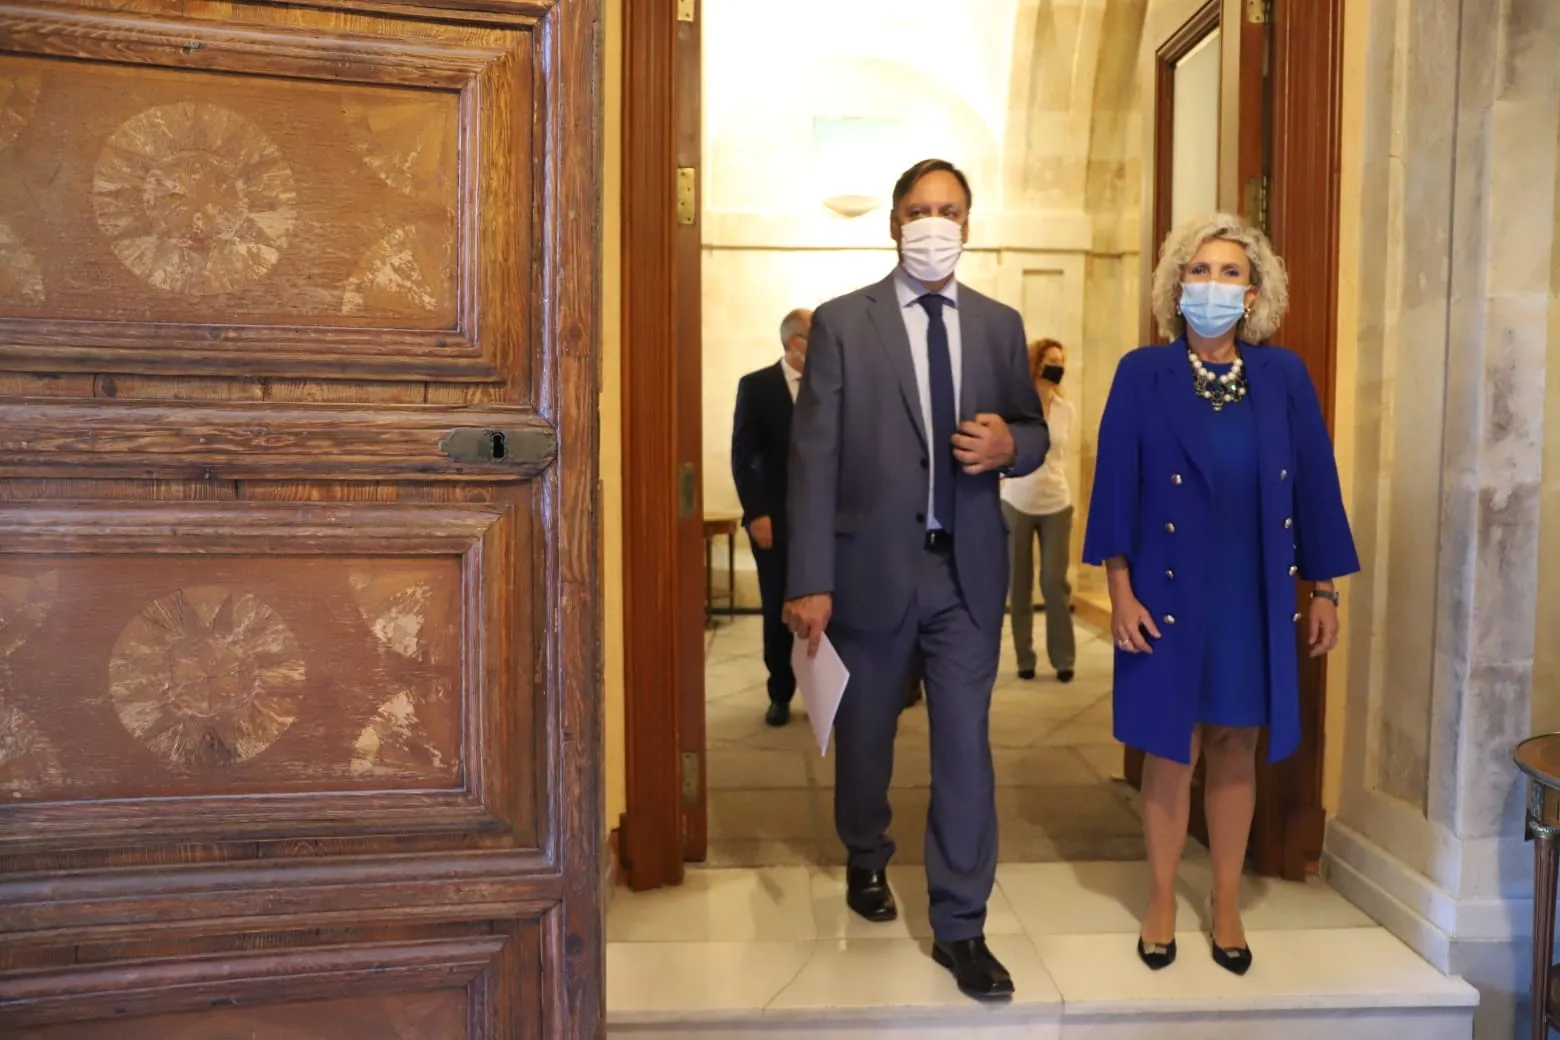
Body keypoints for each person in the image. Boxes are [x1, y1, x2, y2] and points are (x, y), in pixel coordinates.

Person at [784, 159, 1049, 1001]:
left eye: (950, 210)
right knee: (865, 739)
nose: (934, 224)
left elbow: (1031, 428)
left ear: (969, 224)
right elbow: (812, 457)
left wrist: (1014, 446)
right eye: (918, 210)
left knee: (964, 748)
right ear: (893, 224)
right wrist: (809, 577)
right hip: (865, 572)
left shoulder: (1002, 326)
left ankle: (962, 925)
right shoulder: (841, 323)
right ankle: (866, 852)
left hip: (966, 575)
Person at [1082, 212, 1358, 976]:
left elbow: (1315, 483)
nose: (1212, 284)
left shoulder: (1284, 377)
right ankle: (1164, 897)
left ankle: (1227, 901)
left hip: (1254, 589)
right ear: (1177, 287)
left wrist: (1324, 587)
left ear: (1254, 293)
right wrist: (1119, 588)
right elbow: (1115, 487)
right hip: (1167, 590)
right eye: (1198, 271)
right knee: (1173, 748)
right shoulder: (1144, 373)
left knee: (1237, 745)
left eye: (1229, 273)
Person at [731, 308, 811, 726]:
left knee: (825, 606)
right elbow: (743, 458)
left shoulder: (829, 387)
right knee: (778, 606)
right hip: (773, 520)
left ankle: (823, 694)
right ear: (795, 343)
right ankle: (780, 691)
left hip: (820, 522)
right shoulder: (756, 386)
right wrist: (756, 512)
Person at [999, 338, 1077, 683]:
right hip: (1017, 499)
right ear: (1036, 364)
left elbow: (1060, 455)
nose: (1056, 366)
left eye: (1060, 361)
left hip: (1056, 501)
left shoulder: (1066, 409)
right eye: (1050, 361)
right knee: (1019, 582)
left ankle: (1063, 658)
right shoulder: (1017, 407)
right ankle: (1024, 658)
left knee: (1053, 580)